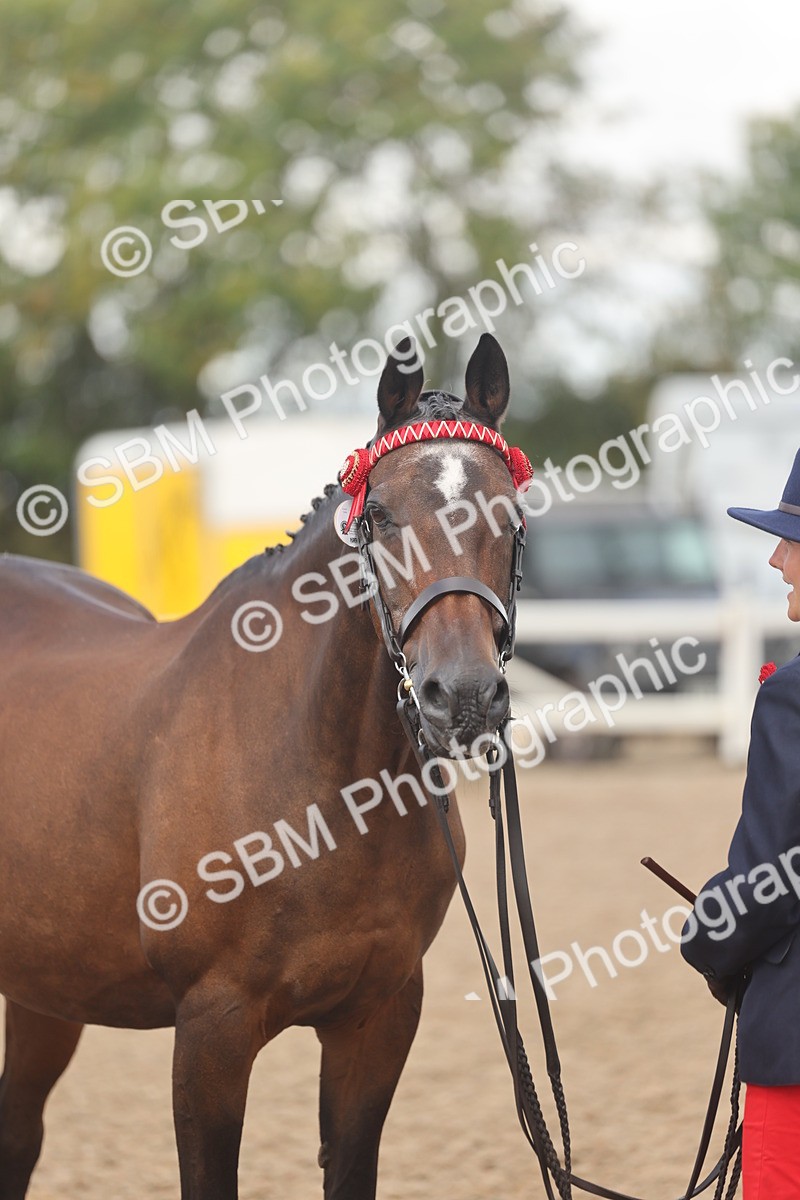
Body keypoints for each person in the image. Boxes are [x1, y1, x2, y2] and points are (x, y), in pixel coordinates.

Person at [682, 447, 800, 1197]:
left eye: (793, 541)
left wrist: (709, 936)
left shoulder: (792, 698)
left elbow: (770, 882)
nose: (779, 560)